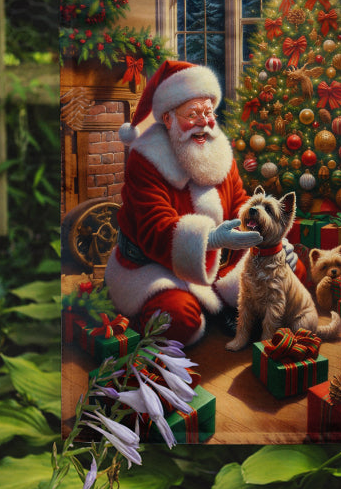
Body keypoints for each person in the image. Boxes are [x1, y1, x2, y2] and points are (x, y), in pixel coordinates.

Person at [107, 59, 300, 346]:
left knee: (292, 271)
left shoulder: (218, 149)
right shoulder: (146, 158)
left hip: (220, 260)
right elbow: (154, 228)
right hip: (158, 267)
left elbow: (240, 203)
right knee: (179, 320)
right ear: (168, 119)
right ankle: (203, 311)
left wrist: (271, 242)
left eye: (208, 112)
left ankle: (221, 306)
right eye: (193, 114)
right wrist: (210, 239)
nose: (204, 122)